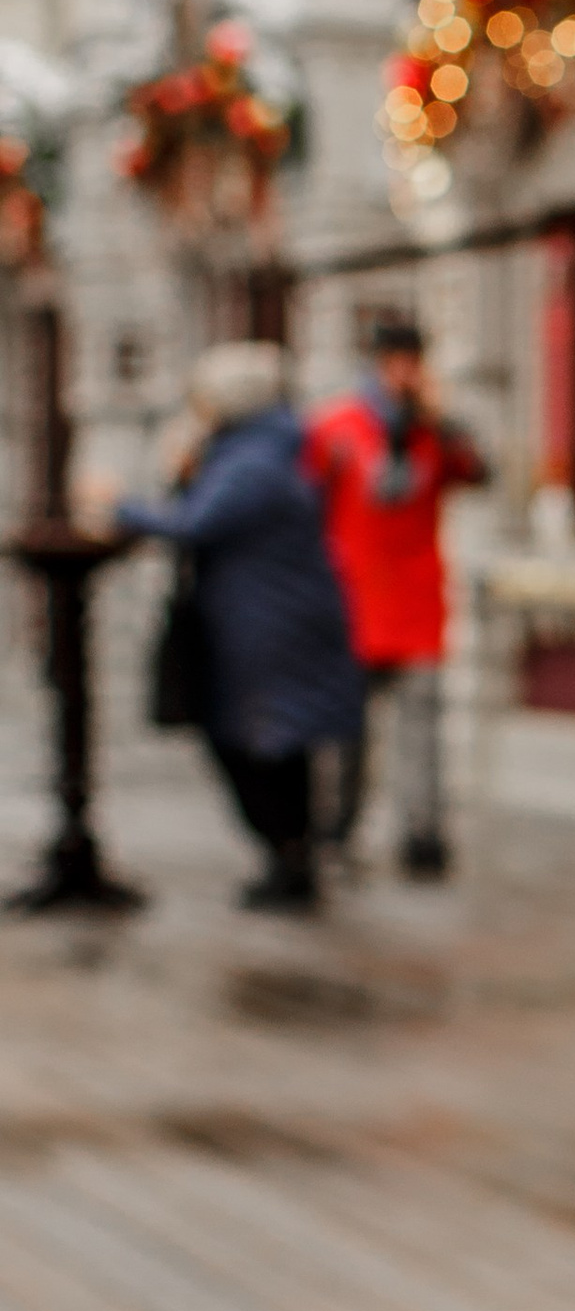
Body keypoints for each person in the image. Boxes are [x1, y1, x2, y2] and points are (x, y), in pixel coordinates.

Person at [116, 339, 367, 913]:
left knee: (263, 743)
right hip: (270, 617)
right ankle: (290, 857)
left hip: (269, 624)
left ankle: (290, 857)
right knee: (272, 742)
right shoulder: (263, 448)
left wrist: (120, 507)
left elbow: (195, 523)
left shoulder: (254, 459)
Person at [304, 311, 486, 879]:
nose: (403, 375)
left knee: (422, 730)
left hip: (417, 602)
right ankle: (338, 830)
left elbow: (480, 475)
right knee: (347, 732)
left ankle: (423, 836)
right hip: (353, 602)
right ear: (376, 366)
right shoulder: (338, 427)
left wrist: (447, 425)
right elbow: (307, 501)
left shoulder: (435, 432)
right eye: (394, 364)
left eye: (413, 364)